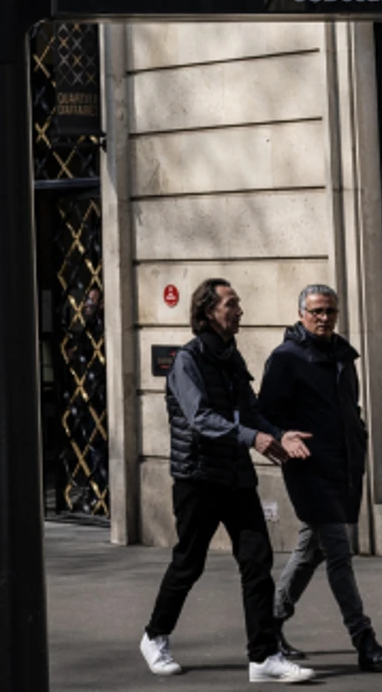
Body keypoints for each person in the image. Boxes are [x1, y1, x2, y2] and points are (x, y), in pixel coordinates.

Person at [142, 279, 314, 684]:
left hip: (235, 475)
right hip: (198, 478)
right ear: (208, 312)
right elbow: (200, 419)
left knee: (257, 561)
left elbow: (249, 412)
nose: (240, 311)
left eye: (238, 303)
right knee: (189, 563)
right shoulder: (188, 362)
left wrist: (278, 433)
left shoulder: (230, 357)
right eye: (231, 304)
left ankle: (264, 656)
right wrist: (253, 438)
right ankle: (154, 636)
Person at [260, 285, 382, 673]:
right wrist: (284, 437)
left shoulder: (341, 353)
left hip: (341, 464)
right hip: (308, 468)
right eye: (317, 311)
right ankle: (364, 640)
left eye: (330, 311)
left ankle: (268, 624)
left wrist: (358, 432)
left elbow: (349, 405)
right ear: (301, 313)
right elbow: (264, 413)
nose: (324, 318)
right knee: (339, 552)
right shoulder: (286, 358)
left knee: (311, 551)